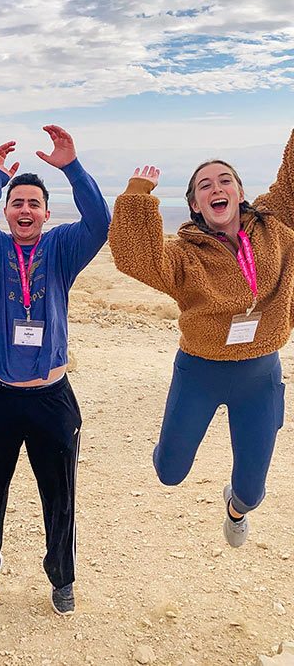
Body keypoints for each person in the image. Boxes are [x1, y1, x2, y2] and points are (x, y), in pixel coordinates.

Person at [108, 127, 294, 548]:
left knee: (252, 493)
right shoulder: (185, 255)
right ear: (195, 204)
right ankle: (171, 442)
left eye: (225, 180)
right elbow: (136, 256)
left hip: (260, 375)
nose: (217, 188)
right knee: (169, 472)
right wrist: (138, 196)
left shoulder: (275, 224)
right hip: (200, 371)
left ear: (241, 193)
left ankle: (234, 508)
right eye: (205, 185)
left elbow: (292, 176)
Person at [0, 126, 110, 617]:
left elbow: (100, 223)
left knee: (60, 498)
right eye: (17, 202)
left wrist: (71, 167)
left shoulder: (63, 248)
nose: (25, 210)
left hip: (52, 397)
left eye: (33, 204)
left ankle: (61, 579)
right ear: (7, 209)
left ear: (46, 211)